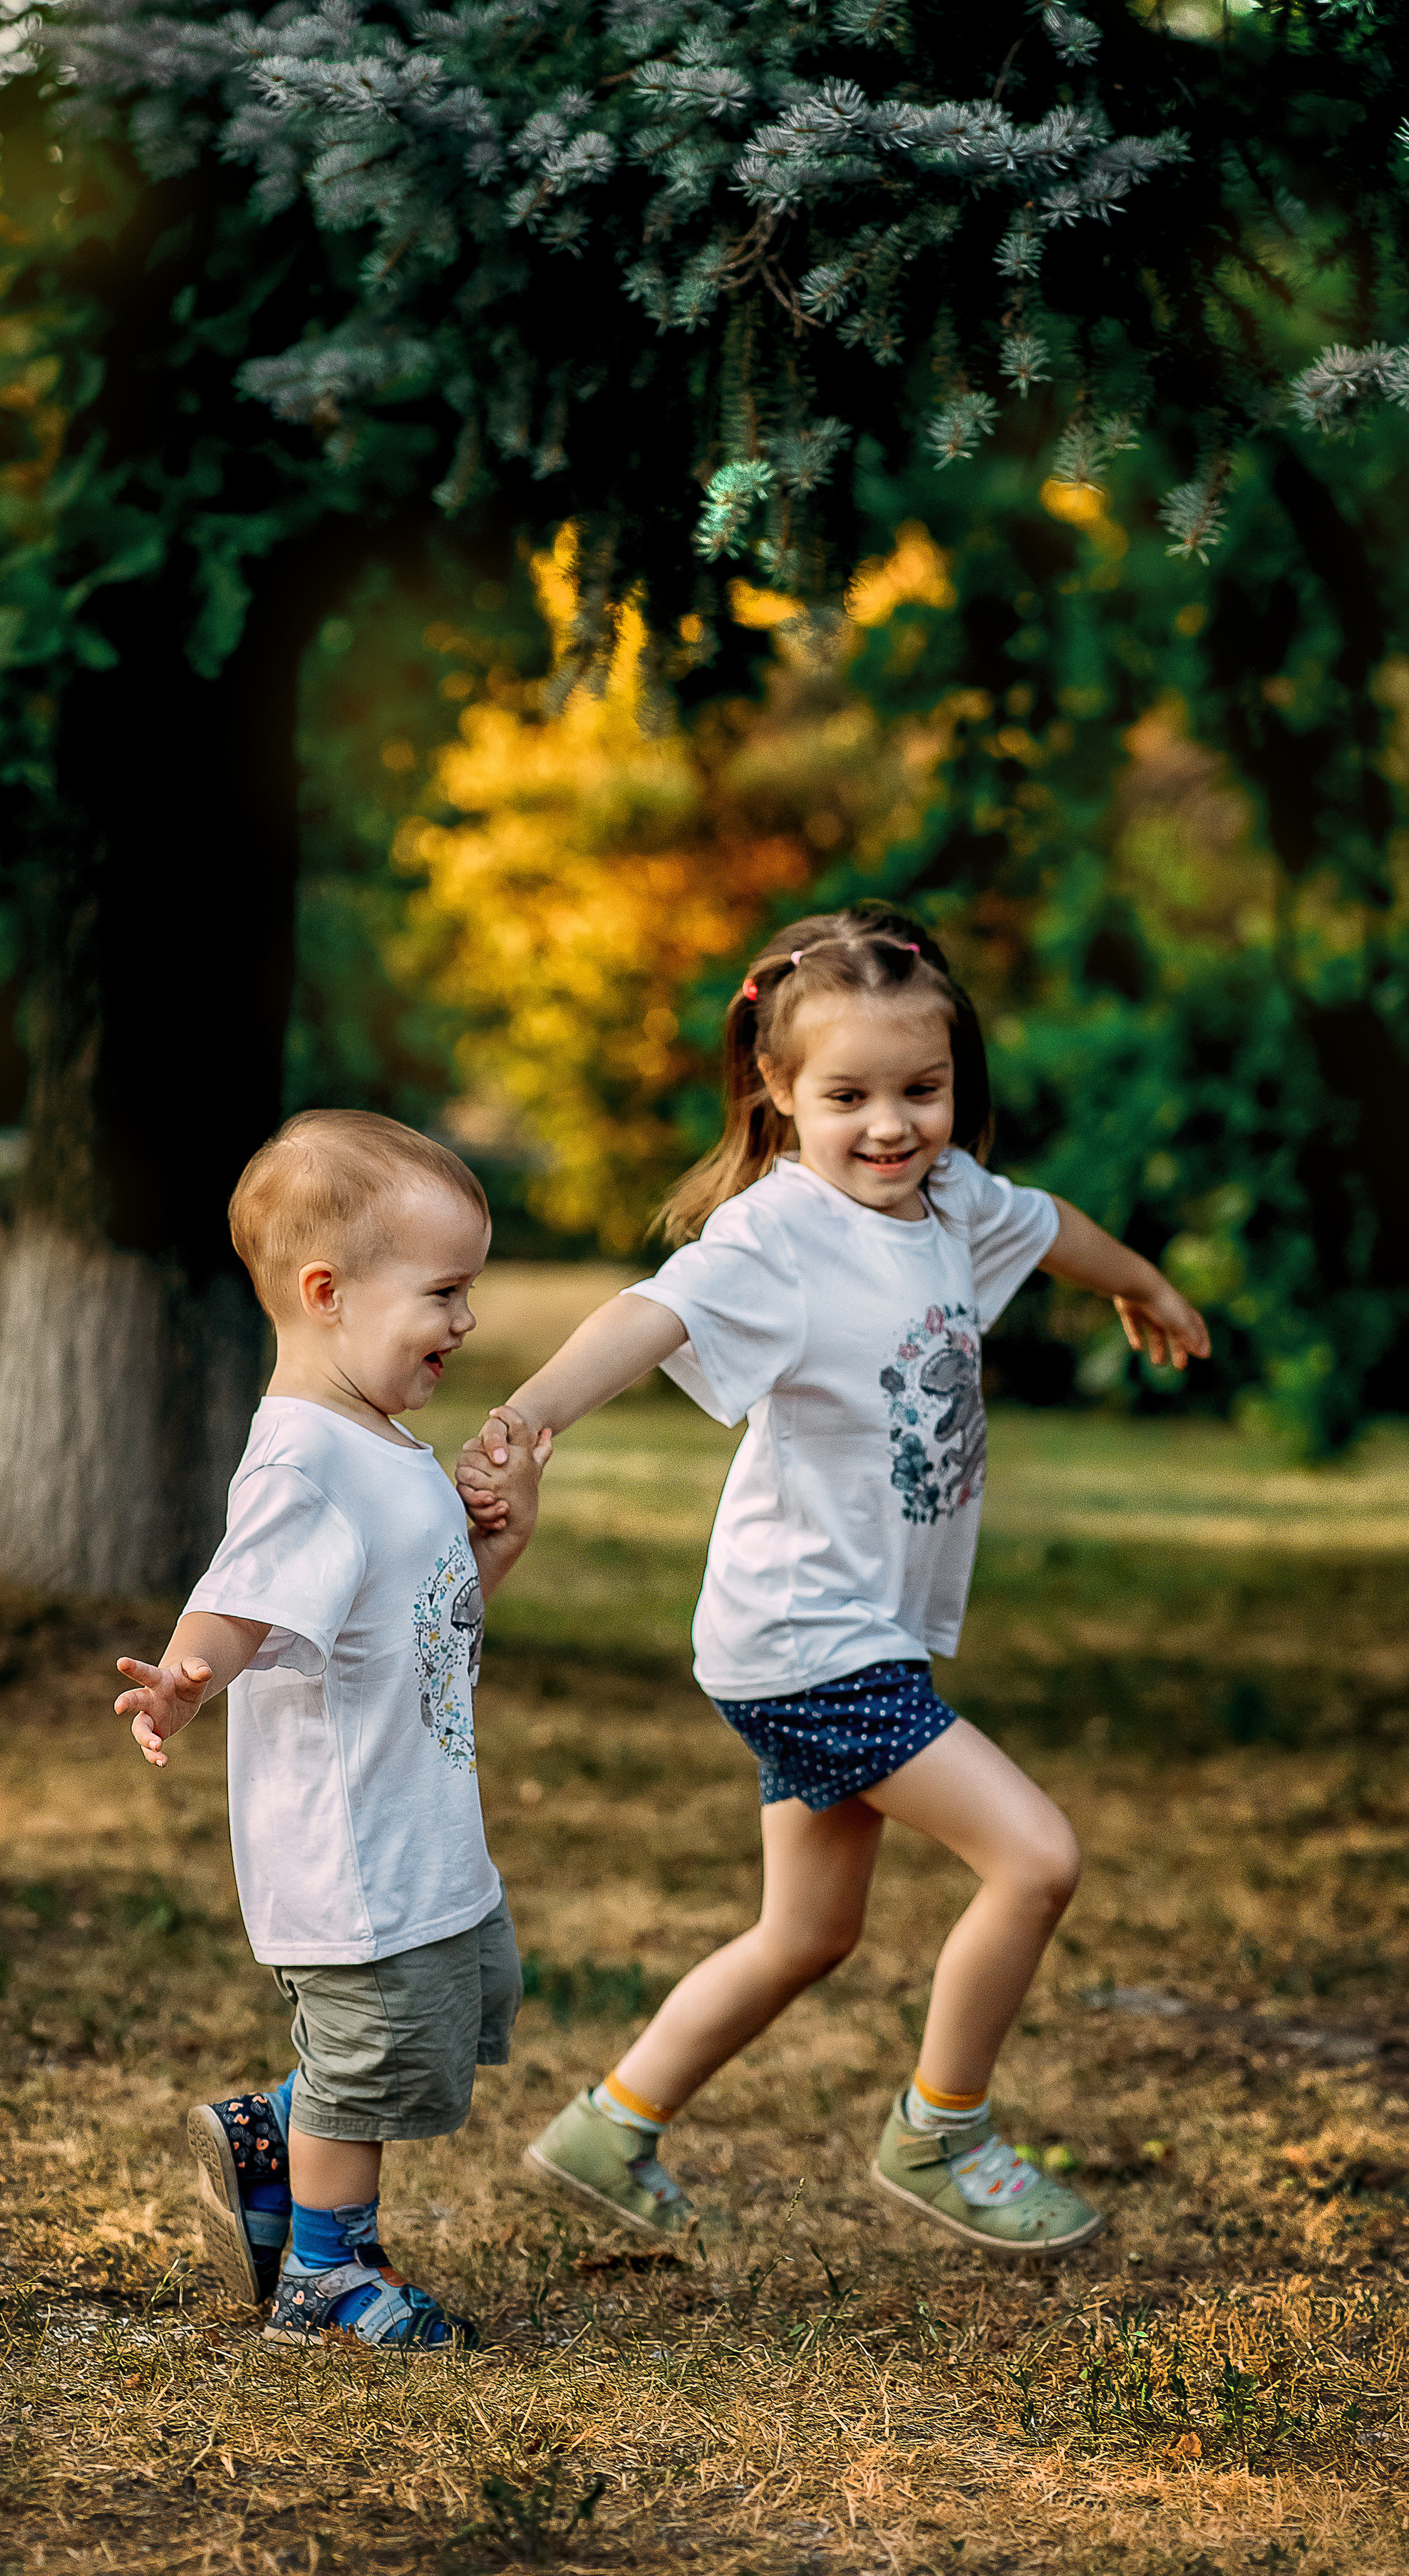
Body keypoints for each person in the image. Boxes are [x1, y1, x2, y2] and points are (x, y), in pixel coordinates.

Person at [457, 905, 1208, 2259]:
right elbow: (651, 1310)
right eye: (848, 1096)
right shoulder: (782, 1236)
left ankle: (612, 2124)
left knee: (808, 1931)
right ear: (780, 1095)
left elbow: (1046, 1226)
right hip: (811, 1640)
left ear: (955, 1088)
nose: (890, 1126)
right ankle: (944, 2130)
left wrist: (1140, 1283)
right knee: (1037, 1858)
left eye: (921, 1092)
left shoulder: (954, 1204)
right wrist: (531, 1420)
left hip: (835, 1639)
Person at [113, 1109, 549, 2350]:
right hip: (354, 1855)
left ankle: (270, 2134)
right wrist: (189, 1677)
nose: (466, 1322)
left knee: (452, 2017)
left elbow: (415, 1619)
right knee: (374, 2064)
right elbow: (240, 1596)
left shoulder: (384, 1443)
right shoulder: (303, 1462)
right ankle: (323, 2277)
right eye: (445, 1292)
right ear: (329, 1293)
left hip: (427, 1827)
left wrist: (490, 1553)